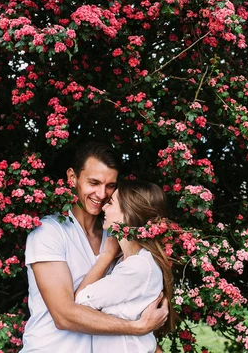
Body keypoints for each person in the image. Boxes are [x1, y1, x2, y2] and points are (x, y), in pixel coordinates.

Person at [21, 142, 168, 352]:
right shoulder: (49, 232)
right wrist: (138, 328)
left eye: (110, 186)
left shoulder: (116, 233)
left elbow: (128, 310)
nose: (101, 194)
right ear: (72, 178)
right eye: (94, 182)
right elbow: (64, 316)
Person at [74, 180, 176, 353]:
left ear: (128, 213)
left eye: (111, 202)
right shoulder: (128, 260)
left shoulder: (138, 266)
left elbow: (80, 301)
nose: (104, 207)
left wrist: (105, 256)